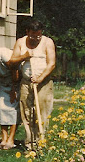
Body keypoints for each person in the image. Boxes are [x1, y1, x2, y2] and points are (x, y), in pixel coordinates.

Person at [8, 20, 56, 149]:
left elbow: (51, 64)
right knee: (27, 113)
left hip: (43, 83)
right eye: (33, 36)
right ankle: (30, 144)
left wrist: (40, 78)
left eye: (38, 35)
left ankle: (41, 143)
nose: (36, 38)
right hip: (26, 83)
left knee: (41, 112)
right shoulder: (21, 42)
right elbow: (12, 62)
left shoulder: (47, 42)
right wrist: (24, 56)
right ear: (27, 32)